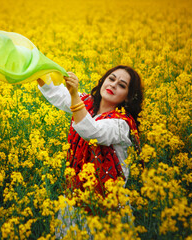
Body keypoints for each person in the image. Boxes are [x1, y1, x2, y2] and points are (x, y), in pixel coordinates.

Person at [37, 65, 143, 238]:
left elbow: (92, 132)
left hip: (107, 207)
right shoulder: (86, 103)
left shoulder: (122, 124)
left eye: (122, 85)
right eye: (111, 78)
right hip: (75, 198)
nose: (114, 85)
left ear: (128, 97)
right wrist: (35, 69)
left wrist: (73, 95)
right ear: (103, 81)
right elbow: (56, 93)